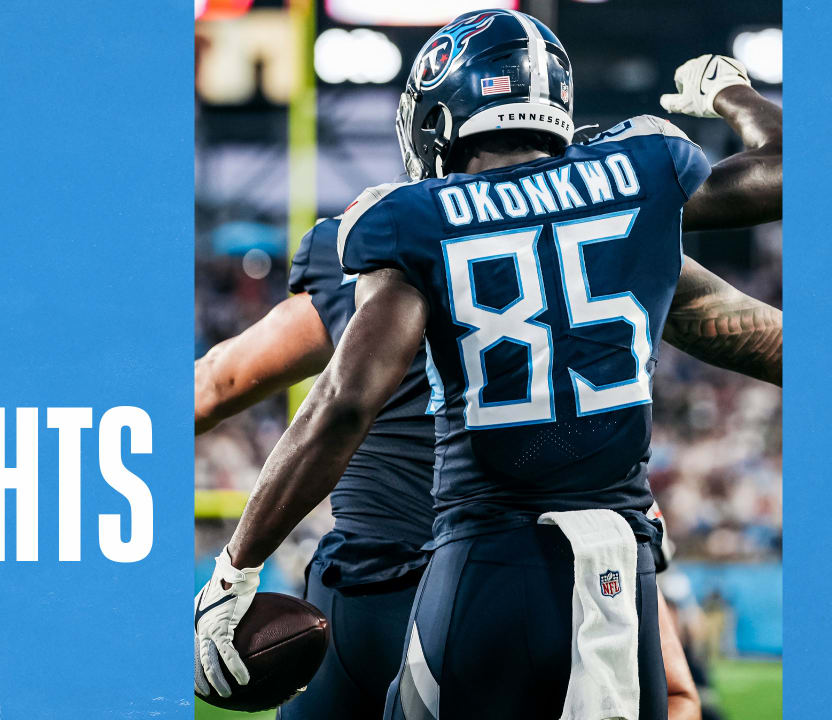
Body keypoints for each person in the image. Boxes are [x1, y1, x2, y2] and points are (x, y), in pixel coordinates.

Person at [193, 10, 780, 720]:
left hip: (480, 561)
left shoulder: (408, 218)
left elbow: (340, 401)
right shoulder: (638, 182)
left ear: (439, 119)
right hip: (615, 566)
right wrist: (732, 93)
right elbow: (778, 198)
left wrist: (236, 566)